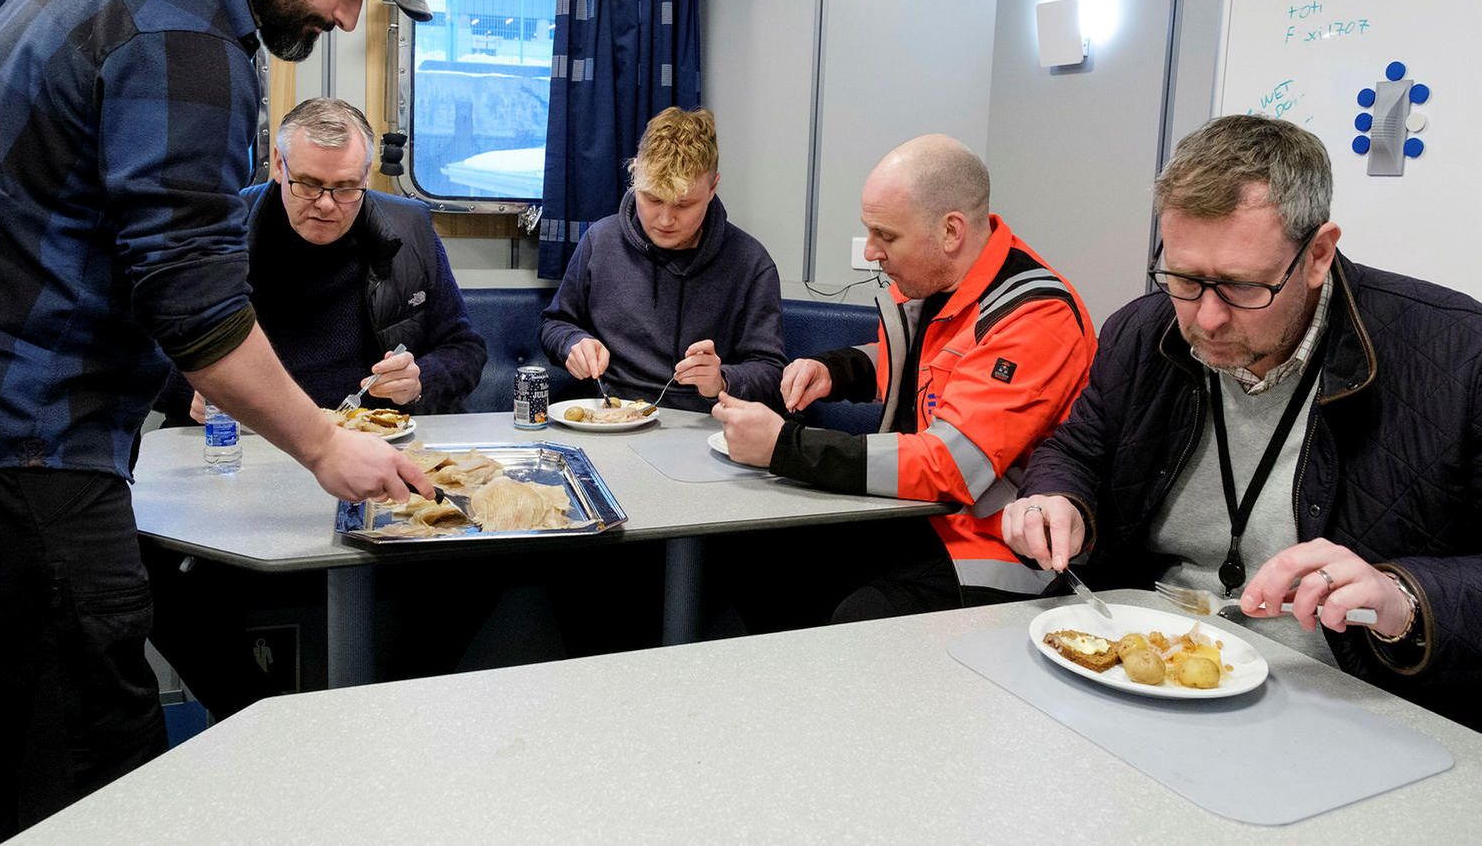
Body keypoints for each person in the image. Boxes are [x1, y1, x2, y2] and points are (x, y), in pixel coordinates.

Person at [0, 0, 438, 843]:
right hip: (16, 434)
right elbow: (196, 309)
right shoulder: (186, 33)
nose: (347, 14)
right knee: (91, 748)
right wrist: (326, 446)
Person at [1000, 114, 1482, 729]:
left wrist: (1405, 598)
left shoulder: (1456, 355)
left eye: (1240, 286)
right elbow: (1080, 448)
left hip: (1341, 699)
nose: (1206, 320)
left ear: (1318, 255)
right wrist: (1055, 496)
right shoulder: (1142, 332)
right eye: (1182, 278)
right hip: (1142, 667)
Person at [713, 134, 1097, 624]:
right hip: (914, 520)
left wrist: (786, 447)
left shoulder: (1036, 316)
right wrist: (835, 369)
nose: (871, 250)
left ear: (951, 231)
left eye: (886, 236)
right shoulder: (931, 282)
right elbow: (916, 369)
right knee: (753, 561)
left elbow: (950, 466)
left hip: (996, 551)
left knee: (854, 617)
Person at [157, 96, 485, 425]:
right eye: (309, 184)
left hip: (368, 433)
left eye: (345, 188)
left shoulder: (410, 228)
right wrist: (191, 390)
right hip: (248, 434)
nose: (326, 205)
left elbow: (464, 348)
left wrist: (418, 382)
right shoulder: (218, 229)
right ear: (278, 165)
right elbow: (141, 351)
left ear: (366, 177)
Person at [539, 106, 784, 411]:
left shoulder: (751, 263)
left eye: (684, 204)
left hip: (703, 425)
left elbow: (772, 373)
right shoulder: (599, 242)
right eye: (652, 198)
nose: (665, 219)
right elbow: (556, 323)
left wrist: (721, 380)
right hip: (610, 415)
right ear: (635, 173)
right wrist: (571, 344)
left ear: (712, 188)